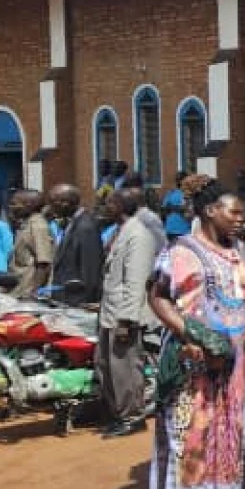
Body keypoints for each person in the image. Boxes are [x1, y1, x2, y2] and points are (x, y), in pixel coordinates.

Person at [146, 177, 245, 489]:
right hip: (192, 355)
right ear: (211, 212)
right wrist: (187, 332)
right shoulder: (180, 251)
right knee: (186, 426)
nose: (241, 219)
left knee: (230, 424)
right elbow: (158, 296)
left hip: (236, 359)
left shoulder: (241, 251)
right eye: (235, 213)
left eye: (243, 214)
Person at [98, 187, 160, 439]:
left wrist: (127, 320)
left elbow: (136, 281)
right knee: (107, 367)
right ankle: (118, 414)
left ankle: (132, 416)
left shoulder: (139, 235)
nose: (104, 208)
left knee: (125, 370)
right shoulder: (120, 232)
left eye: (109, 204)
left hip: (124, 315)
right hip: (109, 310)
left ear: (122, 207)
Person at [47, 185, 104, 304]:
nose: (50, 207)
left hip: (76, 301)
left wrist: (85, 302)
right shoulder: (72, 223)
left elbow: (90, 269)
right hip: (64, 298)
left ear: (66, 203)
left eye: (53, 202)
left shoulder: (85, 227)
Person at [8, 189, 55, 297]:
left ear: (29, 205)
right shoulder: (27, 224)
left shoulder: (38, 226)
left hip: (28, 293)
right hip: (20, 288)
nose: (11, 207)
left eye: (14, 204)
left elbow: (43, 262)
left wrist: (35, 292)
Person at [160, 170, 192, 241]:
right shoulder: (188, 195)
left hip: (170, 230)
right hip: (183, 231)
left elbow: (163, 210)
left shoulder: (170, 194)